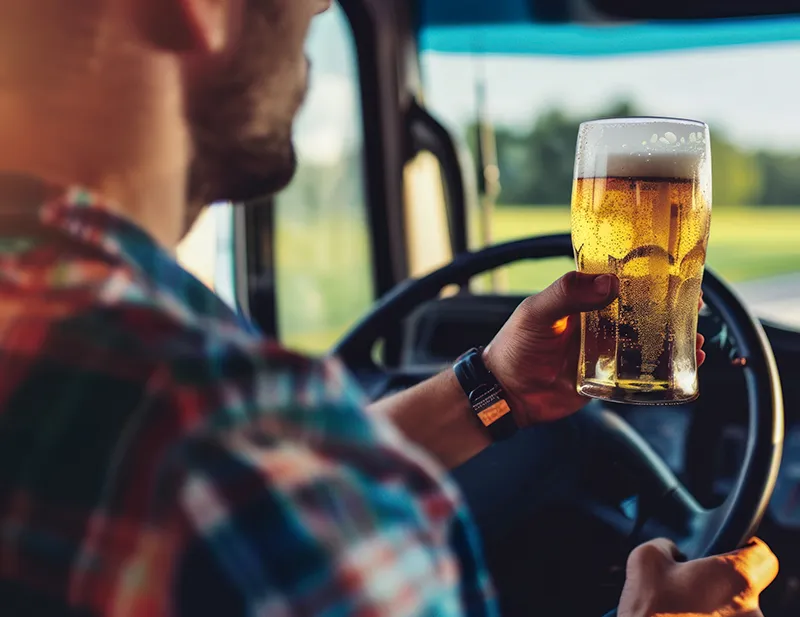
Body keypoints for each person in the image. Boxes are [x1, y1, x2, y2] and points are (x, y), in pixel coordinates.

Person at [0, 0, 777, 616]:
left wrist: (487, 392)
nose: (318, 8)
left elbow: (272, 491)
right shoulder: (225, 433)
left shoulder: (180, 406)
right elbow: (263, 478)